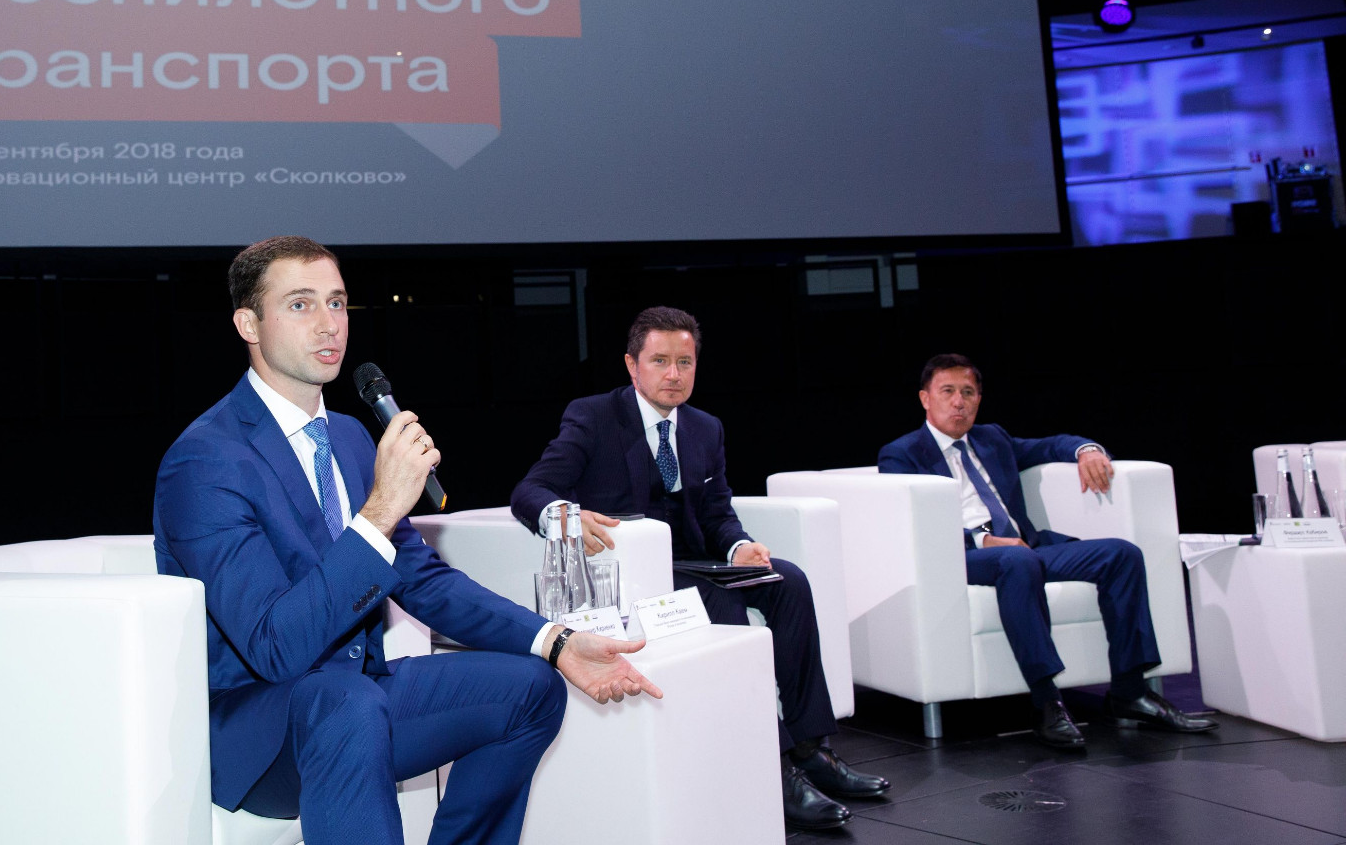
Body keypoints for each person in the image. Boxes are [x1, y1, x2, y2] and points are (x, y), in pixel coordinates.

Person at [153, 236, 661, 845]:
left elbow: (423, 580)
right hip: (261, 728)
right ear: (248, 324)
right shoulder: (206, 459)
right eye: (300, 304)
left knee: (532, 688)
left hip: (359, 697)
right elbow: (273, 648)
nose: (329, 324)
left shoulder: (348, 436)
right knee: (345, 704)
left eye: (337, 302)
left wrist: (556, 641)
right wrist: (380, 510)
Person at [511, 306, 886, 832]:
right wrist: (564, 517)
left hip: (696, 561)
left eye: (684, 362)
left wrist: (739, 548)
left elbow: (717, 514)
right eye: (660, 361)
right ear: (632, 365)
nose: (674, 374)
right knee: (721, 602)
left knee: (789, 581)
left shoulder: (705, 428)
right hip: (636, 570)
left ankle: (810, 748)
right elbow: (529, 491)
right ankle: (773, 767)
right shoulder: (594, 417)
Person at [878, 353, 1216, 748]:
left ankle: (1129, 692)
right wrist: (982, 540)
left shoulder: (992, 439)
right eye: (947, 391)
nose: (959, 402)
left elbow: (1051, 445)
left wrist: (1087, 449)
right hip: (961, 557)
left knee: (1121, 555)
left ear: (979, 399)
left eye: (968, 392)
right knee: (1017, 559)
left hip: (1025, 549)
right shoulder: (902, 453)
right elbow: (910, 523)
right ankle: (1046, 703)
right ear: (925, 398)